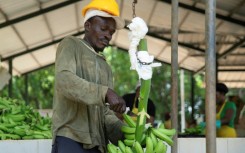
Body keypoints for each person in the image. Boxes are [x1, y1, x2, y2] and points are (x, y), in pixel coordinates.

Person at [51, 0, 126, 153]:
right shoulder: (70, 44)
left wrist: (126, 132)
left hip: (97, 145)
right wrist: (105, 93)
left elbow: (105, 113)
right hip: (70, 138)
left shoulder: (106, 67)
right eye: (103, 29)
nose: (108, 36)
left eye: (111, 32)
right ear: (88, 26)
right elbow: (65, 81)